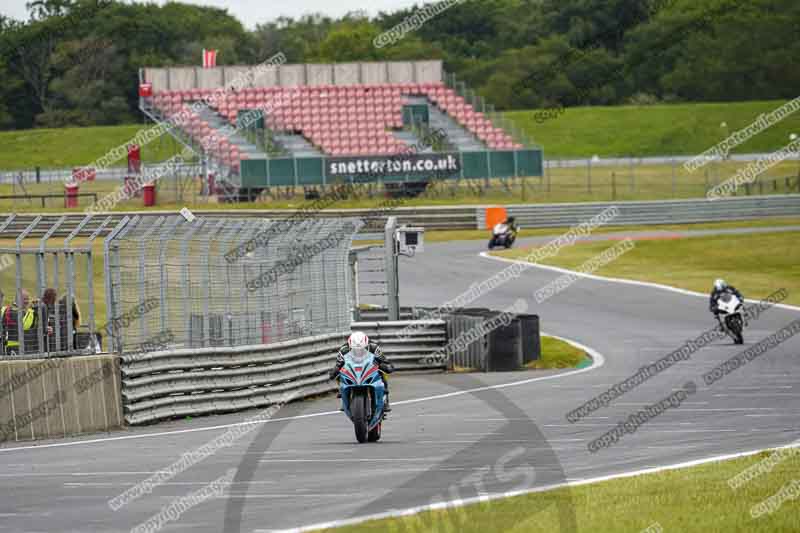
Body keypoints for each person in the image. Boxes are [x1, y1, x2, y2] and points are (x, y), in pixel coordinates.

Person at [328, 331, 394, 412]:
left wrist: (386, 366)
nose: (358, 351)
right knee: (339, 373)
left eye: (361, 349)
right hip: (351, 369)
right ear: (350, 345)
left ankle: (385, 398)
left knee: (382, 372)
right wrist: (334, 371)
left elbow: (384, 361)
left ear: (366, 345)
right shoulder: (343, 350)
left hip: (369, 368)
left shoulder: (374, 347)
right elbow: (338, 365)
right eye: (355, 349)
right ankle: (343, 393)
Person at [1, 289, 37, 355]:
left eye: (28, 299)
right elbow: (25, 325)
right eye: (25, 299)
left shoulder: (5, 309)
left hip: (6, 347)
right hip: (17, 348)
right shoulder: (26, 313)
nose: (27, 301)